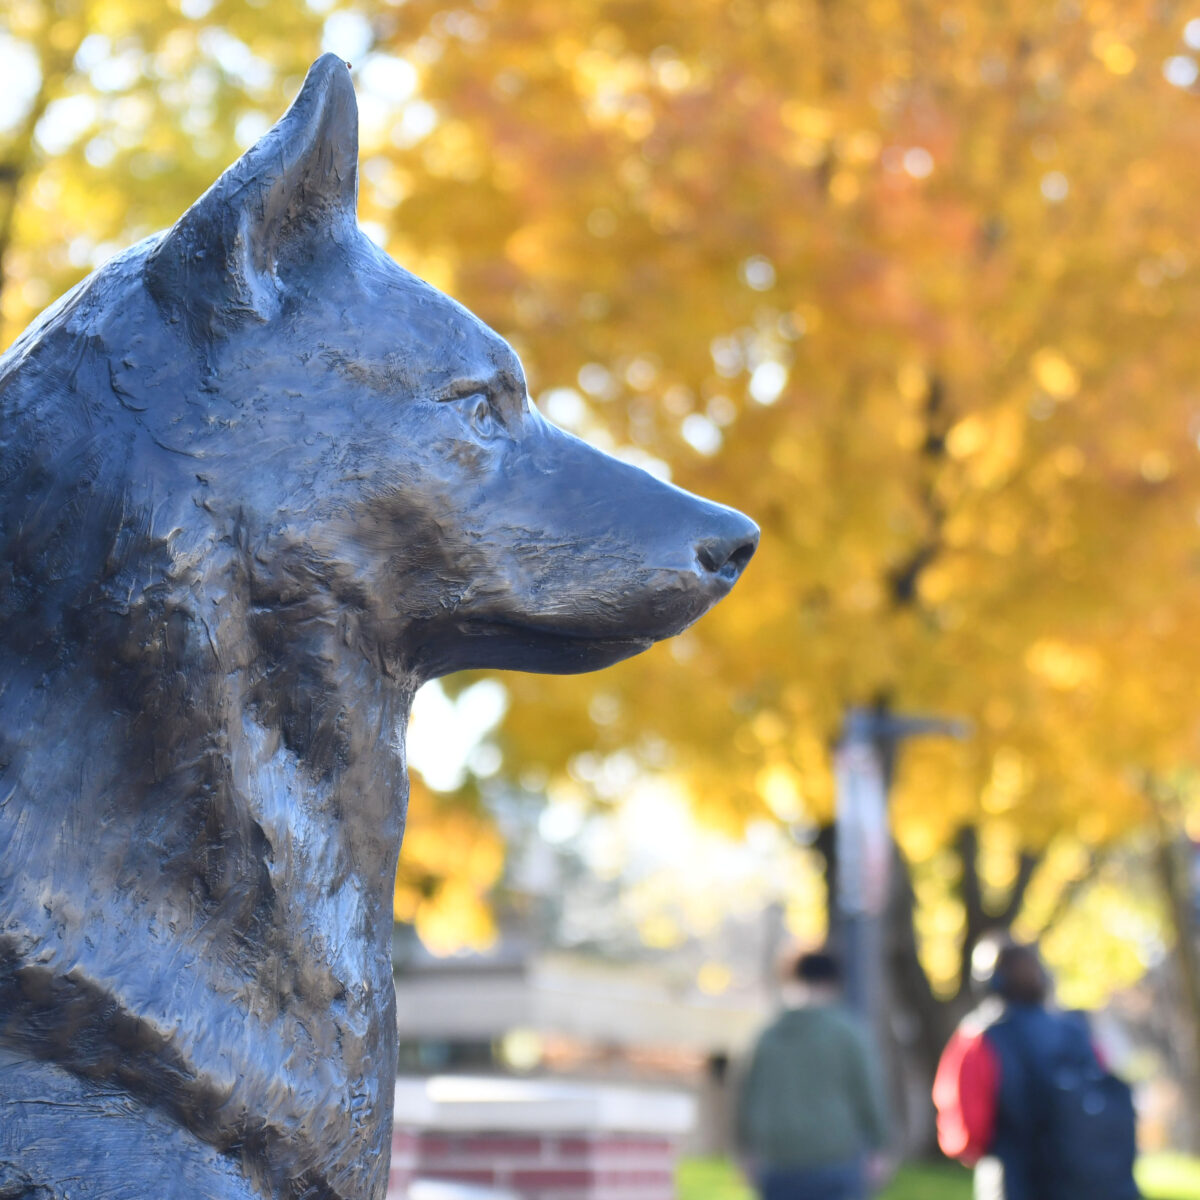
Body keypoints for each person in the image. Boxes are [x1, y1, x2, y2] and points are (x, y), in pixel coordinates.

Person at [933, 940, 1140, 1200]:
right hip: (1089, 1185)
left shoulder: (978, 1039)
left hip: (1012, 1183)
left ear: (989, 982)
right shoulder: (1077, 1030)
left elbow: (966, 1133)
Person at [736, 949, 890, 1200]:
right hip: (834, 1159)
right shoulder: (847, 1034)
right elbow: (869, 1091)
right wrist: (879, 1146)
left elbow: (746, 1097)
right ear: (832, 983)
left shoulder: (769, 1036)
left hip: (778, 1161)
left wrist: (744, 1151)